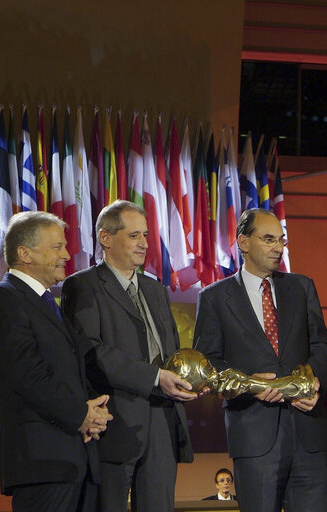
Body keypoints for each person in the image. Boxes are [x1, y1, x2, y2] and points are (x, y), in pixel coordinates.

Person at [193, 208, 327, 512]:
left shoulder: (302, 286)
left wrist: (313, 381)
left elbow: (322, 346)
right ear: (243, 242)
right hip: (255, 438)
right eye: (269, 240)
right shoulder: (214, 297)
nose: (278, 248)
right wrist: (250, 384)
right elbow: (209, 364)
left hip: (309, 435)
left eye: (281, 240)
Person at [61, 200, 196, 512]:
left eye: (146, 235)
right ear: (106, 238)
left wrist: (187, 377)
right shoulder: (82, 286)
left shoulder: (156, 289)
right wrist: (154, 377)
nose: (144, 244)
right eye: (134, 236)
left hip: (163, 420)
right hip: (114, 421)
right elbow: (91, 351)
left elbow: (170, 349)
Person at [0, 211, 113, 512]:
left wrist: (93, 410)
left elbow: (68, 372)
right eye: (56, 247)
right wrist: (81, 414)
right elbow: (27, 376)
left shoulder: (48, 304)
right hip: (42, 462)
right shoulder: (2, 298)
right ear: (24, 253)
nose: (66, 254)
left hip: (76, 461)